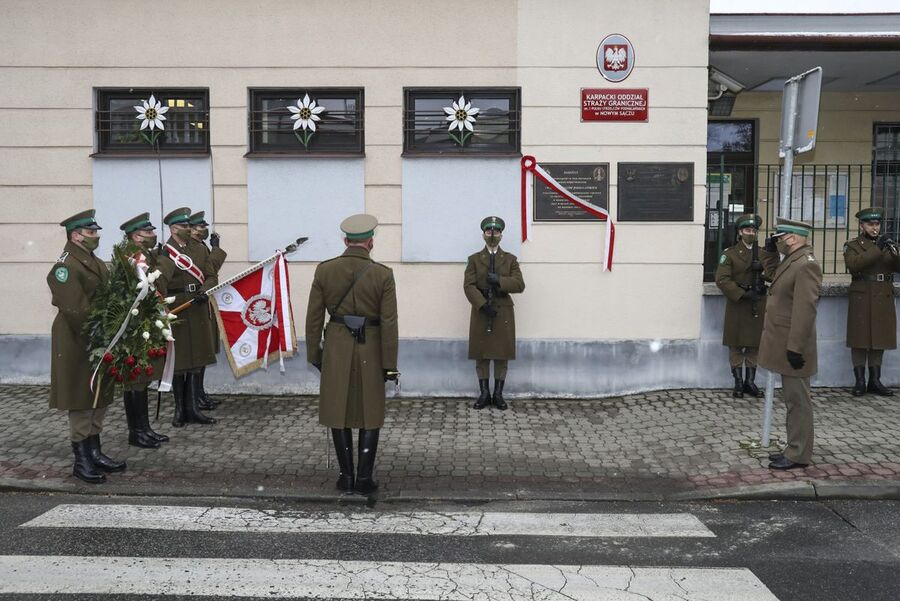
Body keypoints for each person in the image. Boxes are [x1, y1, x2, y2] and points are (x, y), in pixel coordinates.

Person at [305, 214, 398, 495]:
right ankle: (364, 479)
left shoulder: (325, 270)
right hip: (371, 346)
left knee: (338, 410)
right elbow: (390, 323)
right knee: (370, 412)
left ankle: (346, 477)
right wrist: (389, 365)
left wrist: (315, 355)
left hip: (336, 346)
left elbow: (313, 318)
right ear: (370, 242)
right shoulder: (383, 274)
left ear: (345, 241)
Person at [47, 209, 125, 483]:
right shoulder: (65, 266)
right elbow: (76, 310)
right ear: (76, 235)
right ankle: (81, 461)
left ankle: (95, 452)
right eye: (92, 232)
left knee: (99, 394)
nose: (96, 236)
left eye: (96, 232)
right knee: (82, 397)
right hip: (77, 339)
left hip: (98, 338)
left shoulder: (92, 259)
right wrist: (102, 333)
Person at [759, 217, 822, 470]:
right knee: (793, 401)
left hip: (794, 346)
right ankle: (793, 447)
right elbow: (774, 276)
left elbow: (805, 310)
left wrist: (795, 347)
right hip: (785, 342)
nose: (779, 242)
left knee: (798, 402)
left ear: (793, 238)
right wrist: (769, 252)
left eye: (781, 238)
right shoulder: (792, 262)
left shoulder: (806, 265)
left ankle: (798, 454)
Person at [155, 207, 218, 427]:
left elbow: (211, 275)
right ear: (173, 229)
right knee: (179, 362)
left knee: (197, 360)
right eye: (183, 226)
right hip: (177, 309)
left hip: (197, 307)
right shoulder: (164, 253)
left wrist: (205, 290)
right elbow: (158, 285)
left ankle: (193, 408)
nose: (188, 229)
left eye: (189, 226)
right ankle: (180, 410)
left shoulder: (199, 249)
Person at [118, 212, 170, 448]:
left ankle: (144, 428)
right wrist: (161, 262)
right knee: (135, 380)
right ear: (135, 236)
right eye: (148, 232)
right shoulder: (132, 258)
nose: (153, 235)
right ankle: (136, 431)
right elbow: (143, 288)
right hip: (136, 326)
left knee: (142, 379)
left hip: (146, 323)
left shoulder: (145, 255)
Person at [464, 216, 525, 410]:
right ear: (483, 234)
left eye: (496, 232)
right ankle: (484, 394)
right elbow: (468, 286)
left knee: (501, 354)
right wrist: (482, 304)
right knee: (481, 354)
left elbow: (519, 284)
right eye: (489, 232)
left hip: (503, 311)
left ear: (501, 235)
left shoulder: (510, 260)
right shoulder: (474, 259)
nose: (492, 235)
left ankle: (498, 395)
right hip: (482, 310)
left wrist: (499, 280)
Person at [715, 214, 779, 397]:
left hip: (757, 303)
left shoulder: (761, 253)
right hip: (738, 304)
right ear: (740, 232)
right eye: (747, 230)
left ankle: (750, 382)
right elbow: (722, 279)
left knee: (754, 345)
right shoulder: (730, 254)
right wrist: (742, 294)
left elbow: (773, 274)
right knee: (735, 345)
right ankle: (738, 382)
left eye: (753, 230)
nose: (751, 233)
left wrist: (772, 253)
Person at [843, 206, 900, 396]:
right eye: (870, 224)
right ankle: (860, 381)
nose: (874, 228)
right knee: (860, 339)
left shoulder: (886, 244)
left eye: (877, 224)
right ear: (861, 226)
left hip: (883, 295)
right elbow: (854, 265)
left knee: (879, 338)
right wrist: (878, 248)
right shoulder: (852, 245)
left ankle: (875, 380)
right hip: (862, 294)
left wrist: (895, 251)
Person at [188, 210, 227, 410]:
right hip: (198, 301)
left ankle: (199, 394)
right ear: (192, 229)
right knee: (199, 352)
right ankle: (195, 397)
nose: (205, 230)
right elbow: (209, 269)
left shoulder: (199, 246)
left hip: (205, 300)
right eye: (201, 227)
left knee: (204, 350)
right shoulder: (192, 248)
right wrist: (216, 250)